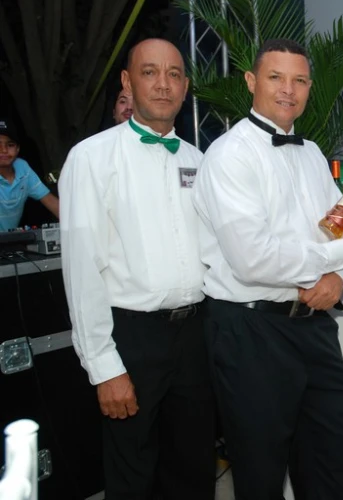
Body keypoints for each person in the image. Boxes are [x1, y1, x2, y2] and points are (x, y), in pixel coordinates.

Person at [192, 38, 343, 500]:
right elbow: (254, 259)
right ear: (251, 82)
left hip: (314, 329)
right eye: (276, 77)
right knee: (261, 473)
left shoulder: (312, 154)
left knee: (337, 458)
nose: (288, 90)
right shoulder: (230, 155)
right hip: (251, 332)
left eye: (299, 80)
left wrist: (337, 277)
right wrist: (334, 260)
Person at [59, 38, 215, 500]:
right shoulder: (90, 158)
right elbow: (81, 271)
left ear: (186, 87)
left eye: (173, 74)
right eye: (150, 73)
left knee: (193, 470)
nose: (163, 85)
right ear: (128, 81)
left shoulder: (199, 160)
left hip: (194, 338)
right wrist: (104, 367)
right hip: (130, 337)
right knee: (133, 478)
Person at [0, 118, 59, 231]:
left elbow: (51, 202)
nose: (4, 150)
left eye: (10, 144)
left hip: (8, 244)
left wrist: (82, 226)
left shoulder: (22, 168)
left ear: (17, 149)